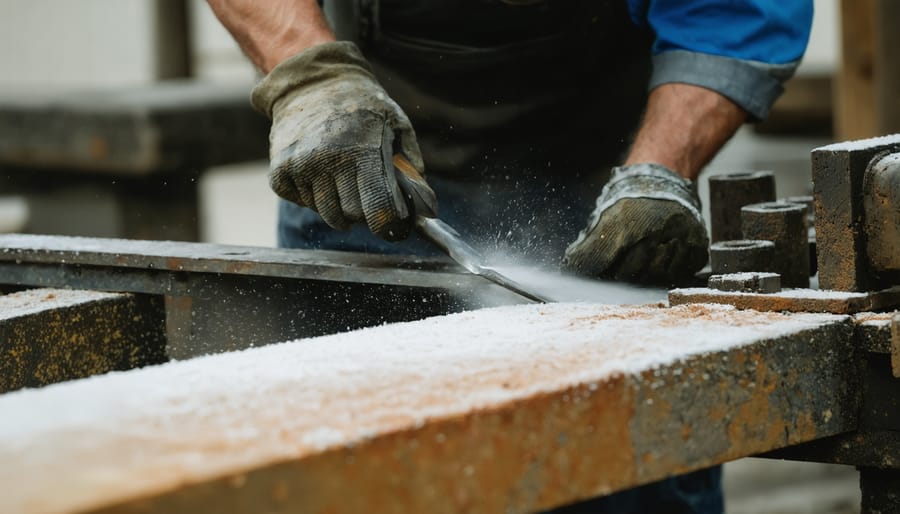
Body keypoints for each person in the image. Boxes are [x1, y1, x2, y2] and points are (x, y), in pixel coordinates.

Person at [208, 0, 812, 512]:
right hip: (358, 165)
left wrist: (656, 171)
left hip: (605, 182)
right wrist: (311, 78)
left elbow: (734, 10)